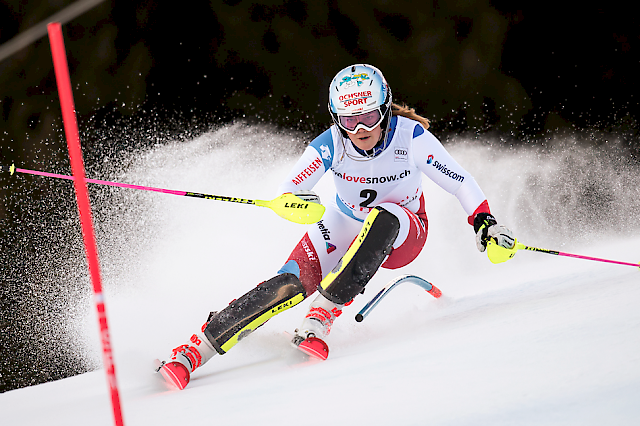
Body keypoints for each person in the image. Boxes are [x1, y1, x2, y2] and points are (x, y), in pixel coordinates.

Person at [155, 64, 515, 389]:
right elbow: (291, 187)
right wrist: (291, 201)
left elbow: (460, 181)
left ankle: (322, 313)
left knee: (383, 216)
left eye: (371, 117)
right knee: (290, 284)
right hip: (345, 222)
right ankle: (195, 350)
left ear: (386, 109)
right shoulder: (330, 144)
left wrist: (485, 223)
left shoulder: (411, 138)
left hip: (405, 231)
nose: (360, 129)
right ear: (335, 118)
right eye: (349, 120)